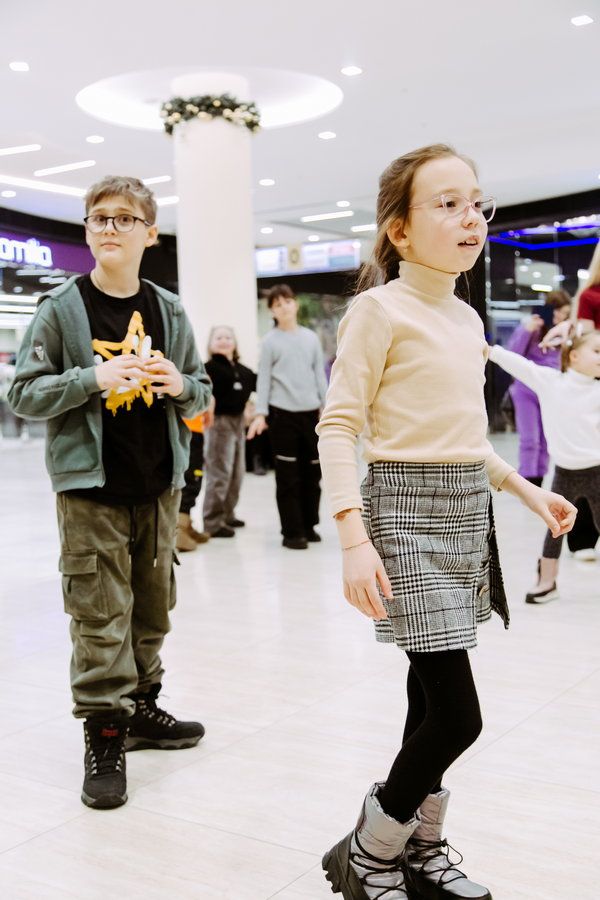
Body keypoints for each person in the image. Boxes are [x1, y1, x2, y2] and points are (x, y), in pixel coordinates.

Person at [316, 144, 575, 900]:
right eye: (449, 203)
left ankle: (420, 849)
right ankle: (368, 851)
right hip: (402, 515)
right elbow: (339, 426)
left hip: (466, 514)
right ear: (399, 230)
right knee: (460, 717)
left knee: (427, 700)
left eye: (477, 203)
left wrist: (525, 491)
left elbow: (462, 439)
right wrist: (353, 539)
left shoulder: (465, 317)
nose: (471, 218)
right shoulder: (376, 311)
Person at [8, 175, 212, 811]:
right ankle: (103, 735)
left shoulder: (169, 311)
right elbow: (22, 393)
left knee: (152, 609)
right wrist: (91, 378)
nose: (109, 228)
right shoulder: (61, 308)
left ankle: (141, 709)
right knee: (100, 617)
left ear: (150, 234)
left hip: (158, 486)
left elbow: (201, 392)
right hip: (90, 489)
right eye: (99, 218)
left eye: (124, 218)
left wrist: (180, 384)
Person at [490, 329, 600, 603]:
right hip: (564, 472)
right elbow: (519, 364)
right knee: (555, 526)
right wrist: (489, 350)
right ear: (573, 355)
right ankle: (547, 582)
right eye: (597, 351)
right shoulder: (551, 381)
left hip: (597, 471)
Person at [248, 284, 328, 549]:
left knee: (312, 473)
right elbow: (264, 380)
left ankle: (309, 525)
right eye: (277, 304)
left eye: (287, 302)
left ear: (295, 304)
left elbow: (319, 375)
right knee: (288, 476)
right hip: (282, 416)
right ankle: (292, 532)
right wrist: (260, 413)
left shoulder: (311, 338)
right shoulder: (270, 341)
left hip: (310, 415)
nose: (284, 307)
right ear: (272, 311)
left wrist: (327, 406)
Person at [541, 243, 600, 558]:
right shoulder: (590, 296)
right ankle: (583, 540)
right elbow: (586, 337)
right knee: (586, 459)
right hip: (593, 379)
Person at [506, 293, 571, 486]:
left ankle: (539, 481)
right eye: (557, 311)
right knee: (530, 439)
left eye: (565, 313)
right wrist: (527, 331)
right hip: (525, 390)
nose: (560, 316)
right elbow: (512, 356)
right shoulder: (531, 328)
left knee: (546, 439)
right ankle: (528, 482)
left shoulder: (565, 332)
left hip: (551, 390)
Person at [202, 326, 255, 536]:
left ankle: (227, 514)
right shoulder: (207, 368)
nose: (224, 340)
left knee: (237, 473)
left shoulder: (244, 371)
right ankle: (212, 521)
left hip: (239, 422)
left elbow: (255, 387)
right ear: (211, 343)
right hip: (219, 423)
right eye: (218, 337)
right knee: (219, 473)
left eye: (228, 337)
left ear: (234, 343)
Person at [176, 407, 212, 552]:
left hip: (190, 423)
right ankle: (180, 529)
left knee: (191, 476)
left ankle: (186, 524)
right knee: (191, 478)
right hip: (189, 425)